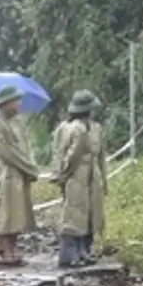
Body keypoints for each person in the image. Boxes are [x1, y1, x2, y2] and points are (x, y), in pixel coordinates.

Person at [0, 85, 39, 265]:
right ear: (6, 103)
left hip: (21, 171)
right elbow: (6, 152)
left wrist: (31, 164)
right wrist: (27, 166)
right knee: (5, 210)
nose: (19, 105)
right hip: (8, 171)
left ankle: (14, 245)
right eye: (16, 101)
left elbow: (26, 145)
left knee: (19, 212)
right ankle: (4, 247)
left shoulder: (17, 122)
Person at [51, 91, 97, 268]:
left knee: (78, 212)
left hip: (76, 175)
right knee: (74, 214)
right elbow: (73, 154)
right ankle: (69, 255)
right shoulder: (80, 129)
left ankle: (78, 252)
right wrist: (66, 172)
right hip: (77, 175)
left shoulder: (65, 126)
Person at [84, 92, 109, 260]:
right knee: (79, 213)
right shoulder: (69, 127)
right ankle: (78, 248)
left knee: (95, 212)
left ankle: (89, 245)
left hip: (95, 174)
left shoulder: (97, 128)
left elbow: (101, 156)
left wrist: (104, 180)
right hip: (78, 175)